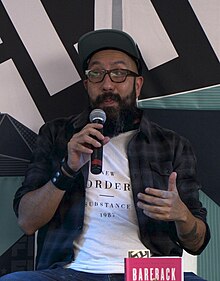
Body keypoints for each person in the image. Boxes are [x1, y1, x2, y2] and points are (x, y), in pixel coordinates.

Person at [1, 29, 210, 281]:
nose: (107, 84)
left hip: (149, 275)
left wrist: (182, 215)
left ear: (138, 84)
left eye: (119, 73)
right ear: (87, 84)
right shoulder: (57, 135)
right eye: (97, 73)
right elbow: (27, 221)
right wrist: (67, 169)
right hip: (72, 273)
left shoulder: (171, 145)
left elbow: (197, 242)